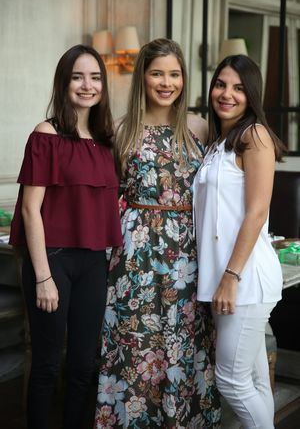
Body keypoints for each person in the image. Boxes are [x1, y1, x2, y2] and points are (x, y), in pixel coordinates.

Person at [94, 38, 221, 429]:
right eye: (157, 74)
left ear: (184, 78)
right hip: (134, 255)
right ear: (142, 77)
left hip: (188, 253)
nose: (167, 83)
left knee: (182, 341)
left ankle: (179, 420)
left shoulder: (199, 126)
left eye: (175, 74)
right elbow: (106, 193)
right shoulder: (121, 129)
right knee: (135, 341)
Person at [9, 44, 122, 429]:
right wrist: (43, 277)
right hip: (52, 260)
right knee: (46, 363)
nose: (87, 85)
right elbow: (29, 209)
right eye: (78, 77)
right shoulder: (47, 134)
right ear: (64, 82)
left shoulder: (106, 142)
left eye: (95, 77)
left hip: (93, 263)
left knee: (82, 365)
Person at [194, 54, 285, 429]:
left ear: (252, 95)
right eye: (220, 84)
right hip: (227, 279)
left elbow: (256, 213)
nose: (227, 94)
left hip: (245, 280)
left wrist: (230, 276)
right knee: (256, 381)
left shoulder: (255, 136)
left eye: (238, 88)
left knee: (231, 382)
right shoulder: (219, 142)